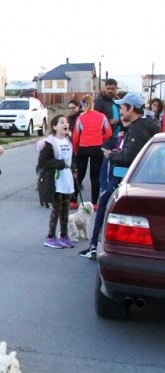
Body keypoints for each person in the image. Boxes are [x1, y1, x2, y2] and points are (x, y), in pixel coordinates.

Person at [80, 93, 161, 259]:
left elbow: (128, 158)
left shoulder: (138, 128)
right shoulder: (146, 126)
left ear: (131, 108)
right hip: (142, 181)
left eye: (123, 108)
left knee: (105, 204)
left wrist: (111, 156)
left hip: (127, 180)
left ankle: (95, 246)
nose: (121, 111)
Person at [37, 115, 75, 249]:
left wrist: (73, 169)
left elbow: (71, 158)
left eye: (66, 122)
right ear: (54, 127)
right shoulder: (49, 143)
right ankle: (50, 237)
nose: (65, 124)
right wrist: (60, 164)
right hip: (55, 179)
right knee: (57, 209)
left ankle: (64, 235)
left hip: (67, 178)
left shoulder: (68, 139)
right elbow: (42, 162)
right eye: (61, 123)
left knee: (66, 208)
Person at [71, 95, 111, 208]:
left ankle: (73, 201)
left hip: (83, 147)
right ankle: (94, 204)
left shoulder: (80, 117)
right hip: (97, 148)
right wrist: (100, 137)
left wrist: (76, 149)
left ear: (83, 105)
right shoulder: (102, 116)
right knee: (95, 176)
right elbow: (109, 133)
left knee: (80, 175)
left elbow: (75, 136)